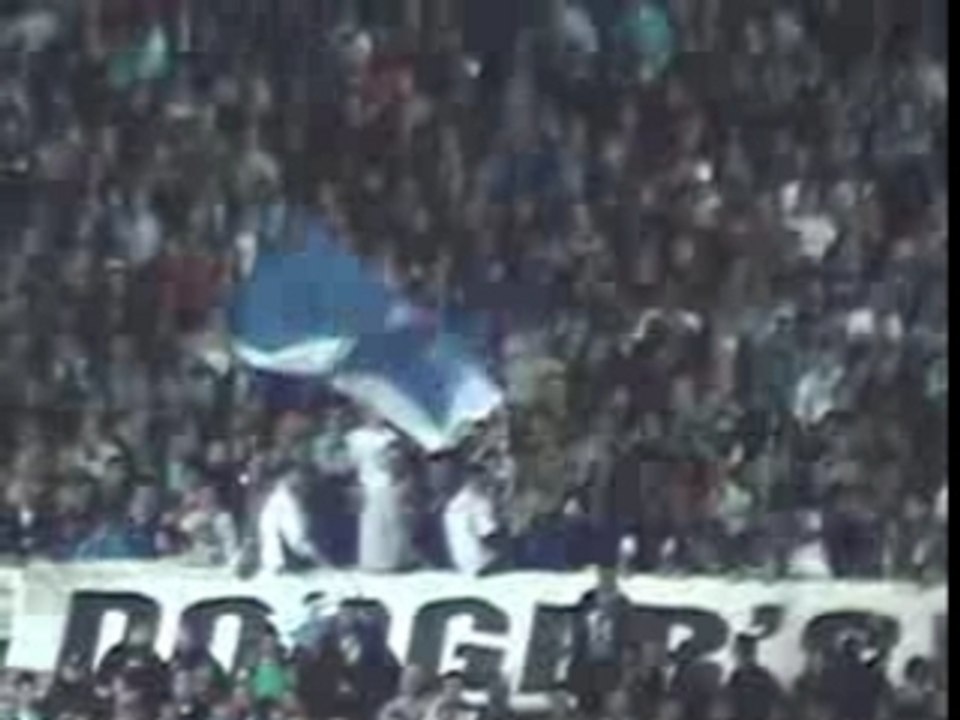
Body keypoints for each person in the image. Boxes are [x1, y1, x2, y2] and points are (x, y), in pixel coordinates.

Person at [345, 415, 413, 572]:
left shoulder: (390, 435)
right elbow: (353, 461)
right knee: (371, 525)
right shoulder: (355, 436)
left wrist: (393, 462)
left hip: (387, 481)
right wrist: (355, 483)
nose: (376, 418)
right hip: (367, 482)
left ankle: (394, 560)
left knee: (391, 522)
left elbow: (397, 459)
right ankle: (373, 562)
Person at [567, 567, 633, 715]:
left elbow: (627, 641)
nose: (606, 579)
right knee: (585, 707)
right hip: (585, 667)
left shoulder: (624, 606)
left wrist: (624, 675)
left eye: (610, 576)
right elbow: (577, 636)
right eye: (603, 575)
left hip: (610, 667)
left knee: (607, 707)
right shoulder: (586, 601)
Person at [255, 464, 326, 574]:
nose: (300, 480)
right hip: (282, 561)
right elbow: (295, 539)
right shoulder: (283, 501)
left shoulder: (280, 497)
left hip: (276, 558)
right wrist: (317, 557)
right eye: (296, 475)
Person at [443, 467, 502, 575]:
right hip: (483, 563)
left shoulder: (453, 503)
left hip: (461, 563)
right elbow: (489, 534)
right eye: (485, 479)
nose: (488, 483)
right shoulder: (477, 501)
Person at [725, 635, 782, 720]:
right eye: (737, 650)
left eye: (746, 651)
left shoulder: (764, 678)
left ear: (754, 652)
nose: (739, 654)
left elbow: (778, 707)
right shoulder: (734, 677)